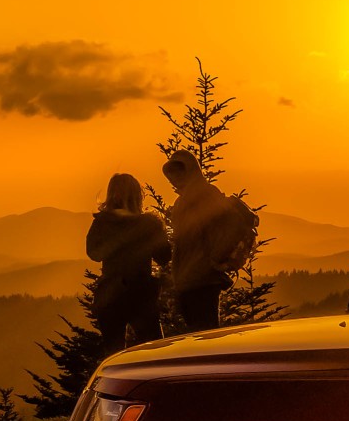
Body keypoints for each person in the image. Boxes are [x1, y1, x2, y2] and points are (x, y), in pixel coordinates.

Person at [162, 148, 255, 332]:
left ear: (189, 170)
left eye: (178, 172)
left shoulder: (205, 195)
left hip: (202, 280)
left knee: (206, 336)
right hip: (192, 279)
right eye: (171, 174)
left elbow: (232, 227)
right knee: (202, 335)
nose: (173, 179)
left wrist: (216, 259)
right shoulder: (187, 198)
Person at [86, 172, 171, 358]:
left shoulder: (102, 222)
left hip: (110, 292)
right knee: (154, 348)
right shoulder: (149, 224)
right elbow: (164, 256)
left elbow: (93, 253)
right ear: (137, 196)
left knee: (113, 352)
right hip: (141, 292)